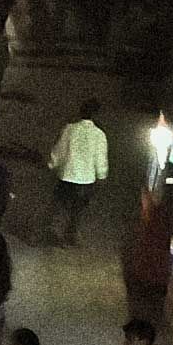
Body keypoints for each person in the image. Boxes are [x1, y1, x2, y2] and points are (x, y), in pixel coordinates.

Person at [44, 98, 111, 246]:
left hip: (67, 175)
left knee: (60, 206)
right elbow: (100, 159)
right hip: (86, 180)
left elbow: (59, 151)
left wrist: (51, 164)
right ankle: (70, 236)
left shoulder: (69, 129)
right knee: (77, 211)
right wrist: (102, 175)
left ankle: (53, 234)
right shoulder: (99, 135)